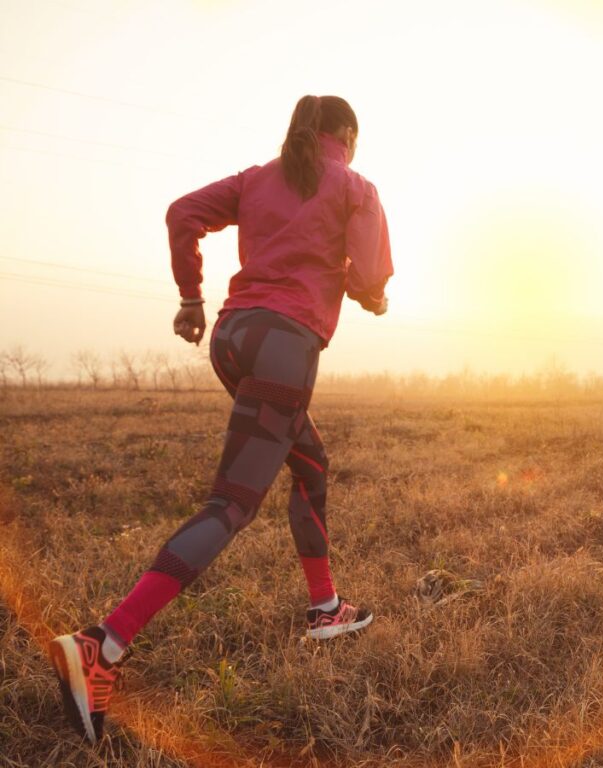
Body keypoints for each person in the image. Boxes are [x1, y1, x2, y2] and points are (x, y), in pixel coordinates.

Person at [48, 94, 393, 745]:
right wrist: (369, 293)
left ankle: (325, 610)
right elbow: (371, 273)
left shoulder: (257, 178)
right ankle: (103, 644)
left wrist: (189, 296)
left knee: (310, 464)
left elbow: (182, 214)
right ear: (345, 134)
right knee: (230, 505)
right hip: (287, 346)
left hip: (234, 337)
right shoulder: (354, 186)